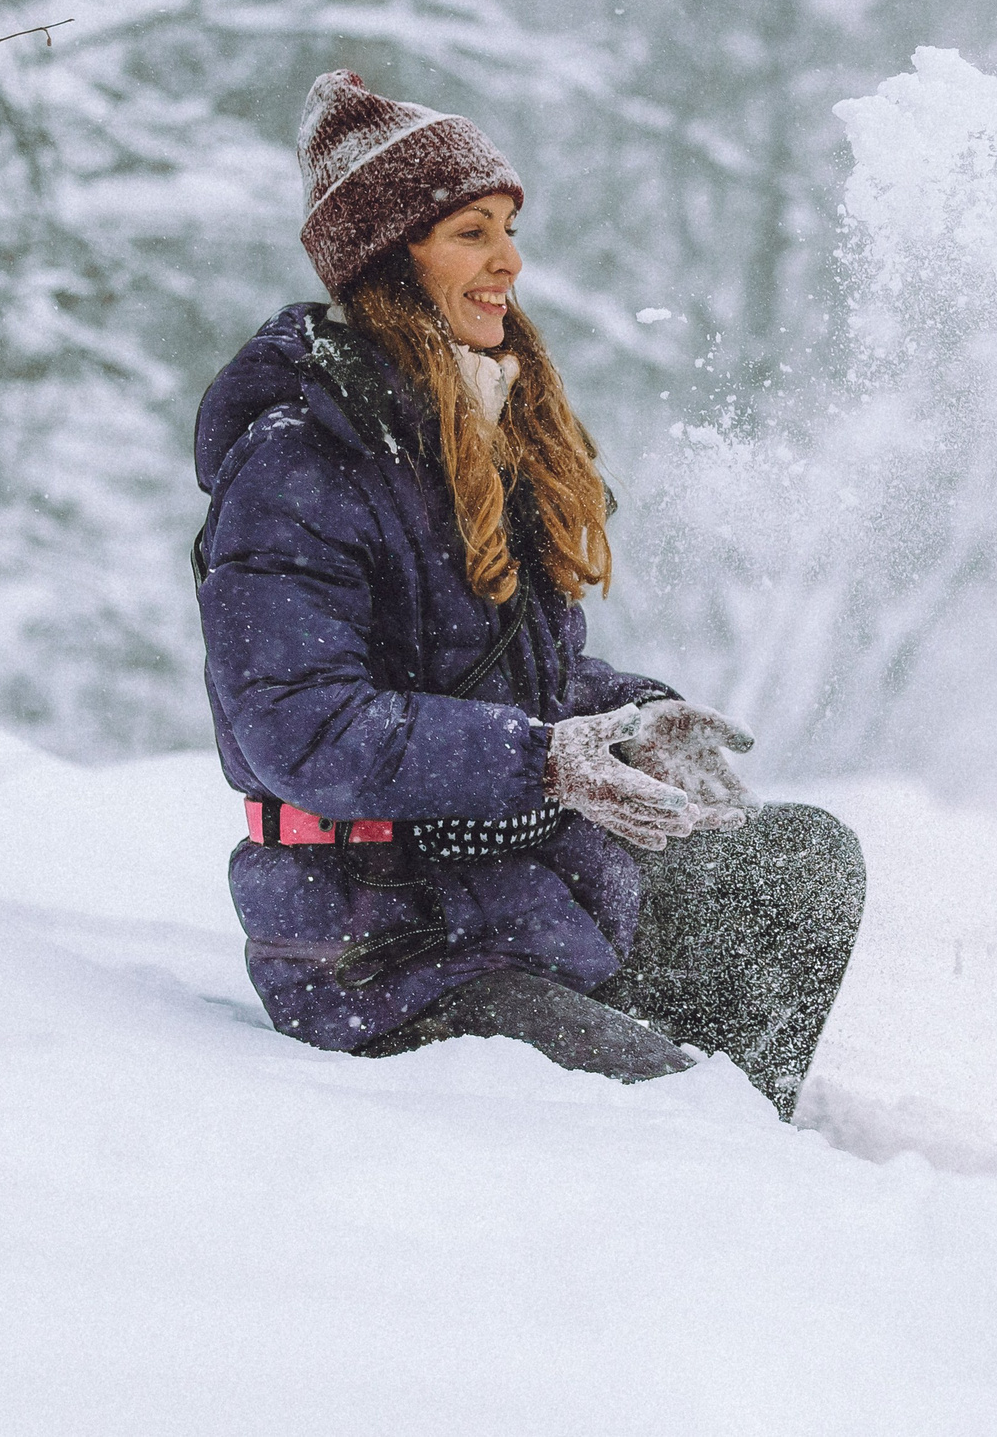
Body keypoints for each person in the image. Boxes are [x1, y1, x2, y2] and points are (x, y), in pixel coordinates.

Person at [192, 71, 864, 1120]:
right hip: (383, 952)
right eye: (472, 233)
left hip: (524, 897)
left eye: (507, 229)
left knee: (796, 864)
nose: (508, 260)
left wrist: (630, 723)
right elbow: (302, 729)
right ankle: (706, 1141)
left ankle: (742, 1134)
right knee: (672, 1114)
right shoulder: (299, 463)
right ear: (390, 257)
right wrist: (544, 760)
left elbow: (522, 677)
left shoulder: (478, 432)